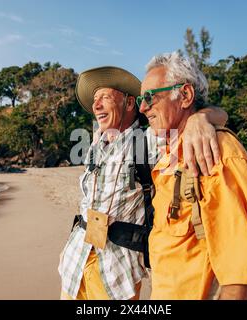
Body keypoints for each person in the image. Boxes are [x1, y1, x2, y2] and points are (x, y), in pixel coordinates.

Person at [58, 66, 228, 300]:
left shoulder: (150, 141)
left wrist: (202, 117)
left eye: (105, 98)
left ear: (129, 104)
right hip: (74, 262)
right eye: (95, 99)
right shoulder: (95, 146)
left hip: (116, 273)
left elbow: (217, 114)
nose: (96, 105)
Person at [138, 52, 247, 300]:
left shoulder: (216, 153)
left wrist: (203, 116)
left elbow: (240, 281)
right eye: (141, 99)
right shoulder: (169, 152)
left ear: (184, 96)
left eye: (149, 97)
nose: (142, 107)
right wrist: (204, 115)